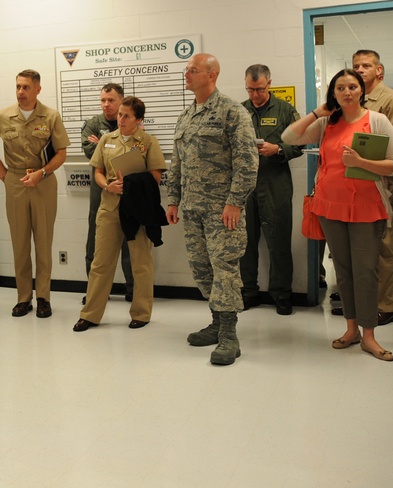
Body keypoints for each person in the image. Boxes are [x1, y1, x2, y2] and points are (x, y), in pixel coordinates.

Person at [283, 69, 393, 361]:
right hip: (329, 206)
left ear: (362, 90)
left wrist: (361, 162)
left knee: (366, 271)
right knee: (344, 272)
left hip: (366, 207)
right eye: (340, 88)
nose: (347, 92)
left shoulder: (377, 120)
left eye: (352, 86)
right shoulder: (327, 123)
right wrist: (316, 112)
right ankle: (351, 330)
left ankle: (370, 336)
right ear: (333, 93)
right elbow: (288, 137)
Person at [166, 53, 258, 366]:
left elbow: (246, 161)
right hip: (192, 208)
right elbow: (176, 161)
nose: (186, 75)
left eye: (192, 70)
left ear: (212, 74)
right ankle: (217, 322)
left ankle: (230, 334)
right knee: (202, 269)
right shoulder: (186, 115)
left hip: (222, 209)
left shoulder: (232, 112)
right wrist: (173, 198)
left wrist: (235, 202)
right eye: (186, 70)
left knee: (225, 268)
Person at [73, 96, 167, 331]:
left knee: (141, 262)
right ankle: (91, 314)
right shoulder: (106, 139)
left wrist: (132, 183)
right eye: (120, 115)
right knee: (101, 262)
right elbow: (98, 172)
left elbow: (156, 176)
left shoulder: (148, 142)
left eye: (126, 116)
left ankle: (141, 313)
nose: (121, 119)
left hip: (138, 208)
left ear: (138, 119)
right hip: (110, 205)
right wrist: (108, 185)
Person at [0, 69, 69, 319]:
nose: (21, 92)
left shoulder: (51, 116)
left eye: (26, 88)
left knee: (43, 242)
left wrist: (41, 173)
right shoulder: (4, 116)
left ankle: (43, 297)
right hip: (15, 180)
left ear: (38, 89)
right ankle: (23, 298)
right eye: (18, 87)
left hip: (43, 181)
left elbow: (61, 153)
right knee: (19, 242)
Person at [351, 50, 393, 326]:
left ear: (379, 71)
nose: (360, 70)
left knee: (384, 245)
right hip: (354, 184)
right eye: (356, 66)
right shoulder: (353, 100)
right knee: (360, 248)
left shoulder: (391, 100)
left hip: (382, 184)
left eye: (366, 66)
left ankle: (386, 305)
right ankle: (362, 303)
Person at [239, 64, 303, 315]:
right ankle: (249, 292)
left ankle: (282, 294)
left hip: (275, 183)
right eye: (251, 89)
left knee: (279, 243)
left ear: (270, 84)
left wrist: (277, 149)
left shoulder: (285, 110)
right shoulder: (239, 111)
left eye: (260, 89)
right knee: (244, 242)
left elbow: (300, 144)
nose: (255, 94)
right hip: (245, 186)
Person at [80, 83, 133, 302]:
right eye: (103, 100)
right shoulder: (93, 123)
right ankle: (95, 290)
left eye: (111, 100)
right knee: (96, 238)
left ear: (121, 100)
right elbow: (90, 152)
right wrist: (111, 145)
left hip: (127, 186)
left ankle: (133, 289)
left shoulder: (132, 120)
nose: (106, 105)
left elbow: (133, 152)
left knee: (130, 238)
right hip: (100, 189)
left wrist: (103, 144)